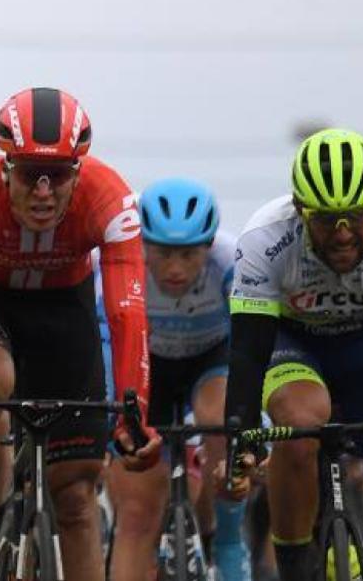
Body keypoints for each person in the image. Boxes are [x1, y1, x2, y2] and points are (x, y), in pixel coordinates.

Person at [0, 86, 159, 581]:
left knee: (76, 496)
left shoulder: (109, 196)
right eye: (29, 175)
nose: (43, 192)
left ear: (77, 172)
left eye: (57, 176)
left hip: (63, 312)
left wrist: (134, 414)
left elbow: (127, 313)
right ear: (4, 168)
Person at [226, 128, 363, 581]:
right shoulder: (264, 239)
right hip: (294, 347)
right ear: (299, 211)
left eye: (355, 216)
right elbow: (249, 352)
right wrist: (244, 435)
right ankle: (296, 566)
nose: (343, 234)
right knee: (301, 424)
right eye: (326, 219)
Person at [104, 178, 249, 581]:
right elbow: (104, 345)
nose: (175, 269)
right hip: (147, 366)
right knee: (135, 515)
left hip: (211, 360)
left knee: (220, 414)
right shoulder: (121, 260)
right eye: (163, 254)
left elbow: (253, 347)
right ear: (144, 245)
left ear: (209, 246)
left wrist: (255, 429)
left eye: (188, 255)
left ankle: (229, 538)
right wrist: (112, 419)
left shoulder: (231, 262)